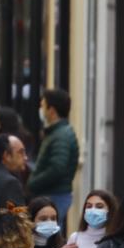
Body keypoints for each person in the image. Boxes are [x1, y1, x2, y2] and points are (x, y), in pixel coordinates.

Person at [28, 88, 80, 219]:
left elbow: (57, 168)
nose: (41, 110)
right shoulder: (56, 132)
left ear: (51, 110)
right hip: (55, 193)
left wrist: (33, 182)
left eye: (43, 106)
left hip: (55, 194)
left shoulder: (60, 135)